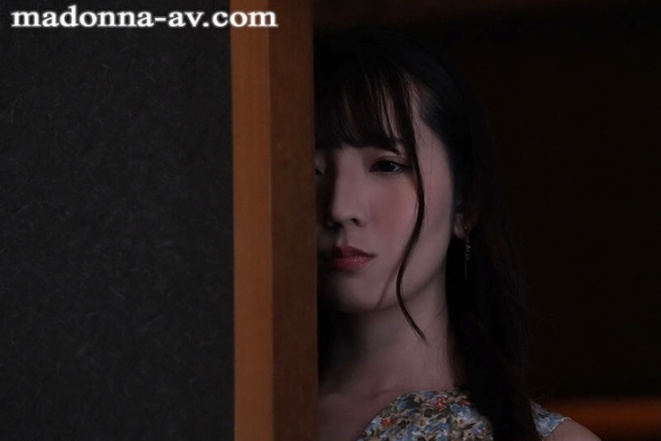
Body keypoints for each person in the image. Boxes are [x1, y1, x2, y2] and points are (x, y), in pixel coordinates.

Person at [314, 29, 600, 441]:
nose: (340, 208)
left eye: (387, 165)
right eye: (309, 169)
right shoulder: (237, 410)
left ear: (465, 204)